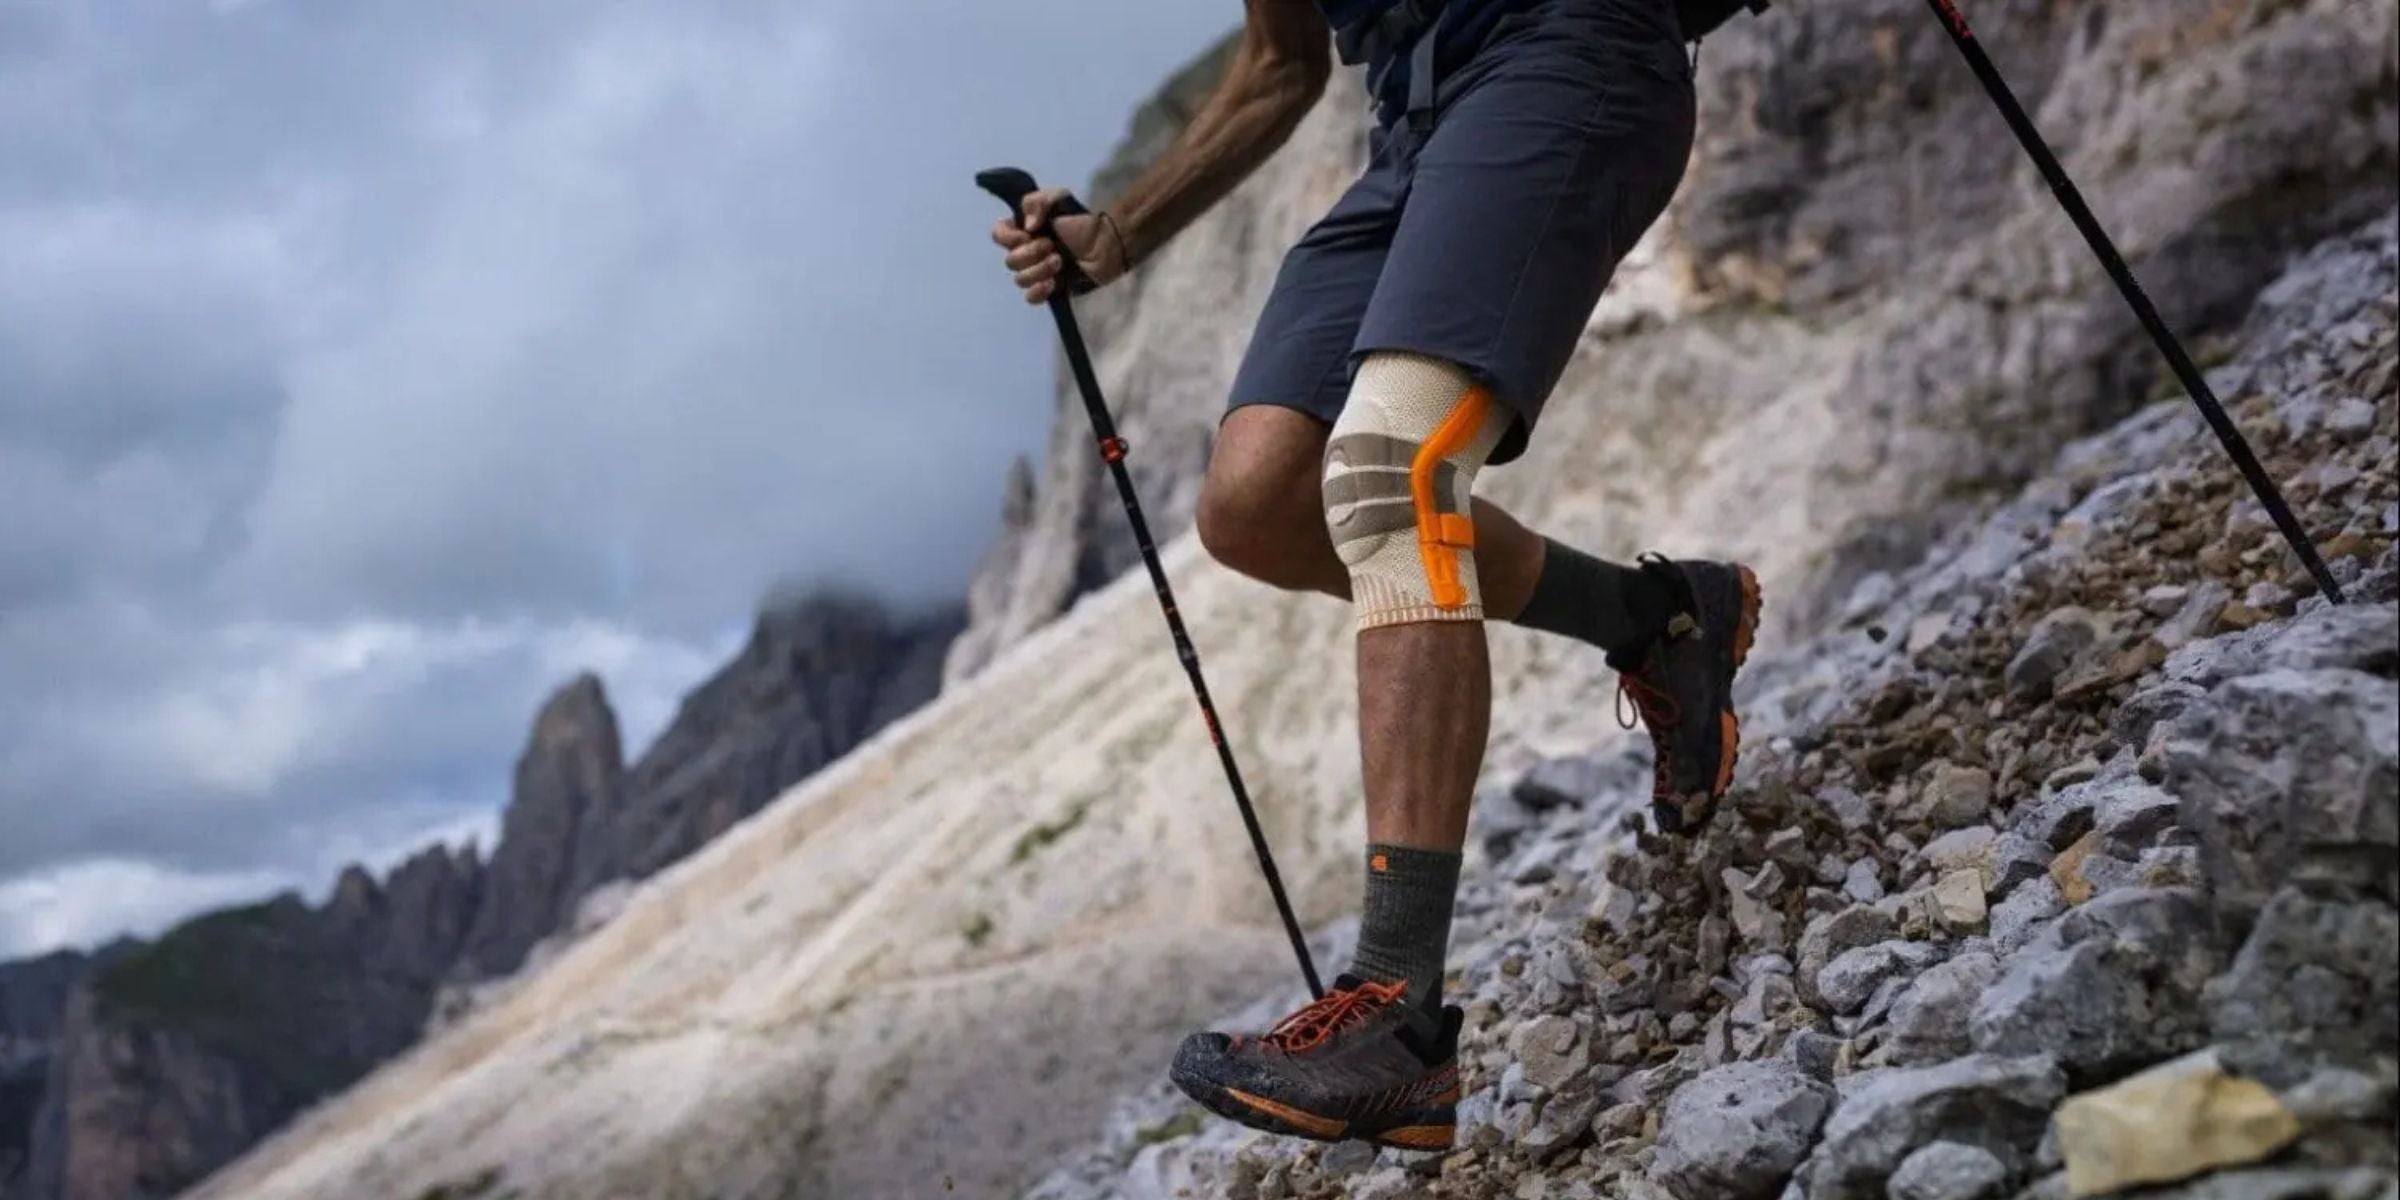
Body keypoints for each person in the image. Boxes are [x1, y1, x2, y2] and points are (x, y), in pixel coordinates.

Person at [989, 0, 1758, 1152]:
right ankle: (1656, 620)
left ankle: (1394, 1019)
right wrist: (1120, 233)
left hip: (1570, 49)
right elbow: (1280, 59)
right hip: (1411, 121)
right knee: (1257, 507)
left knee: (1391, 469)